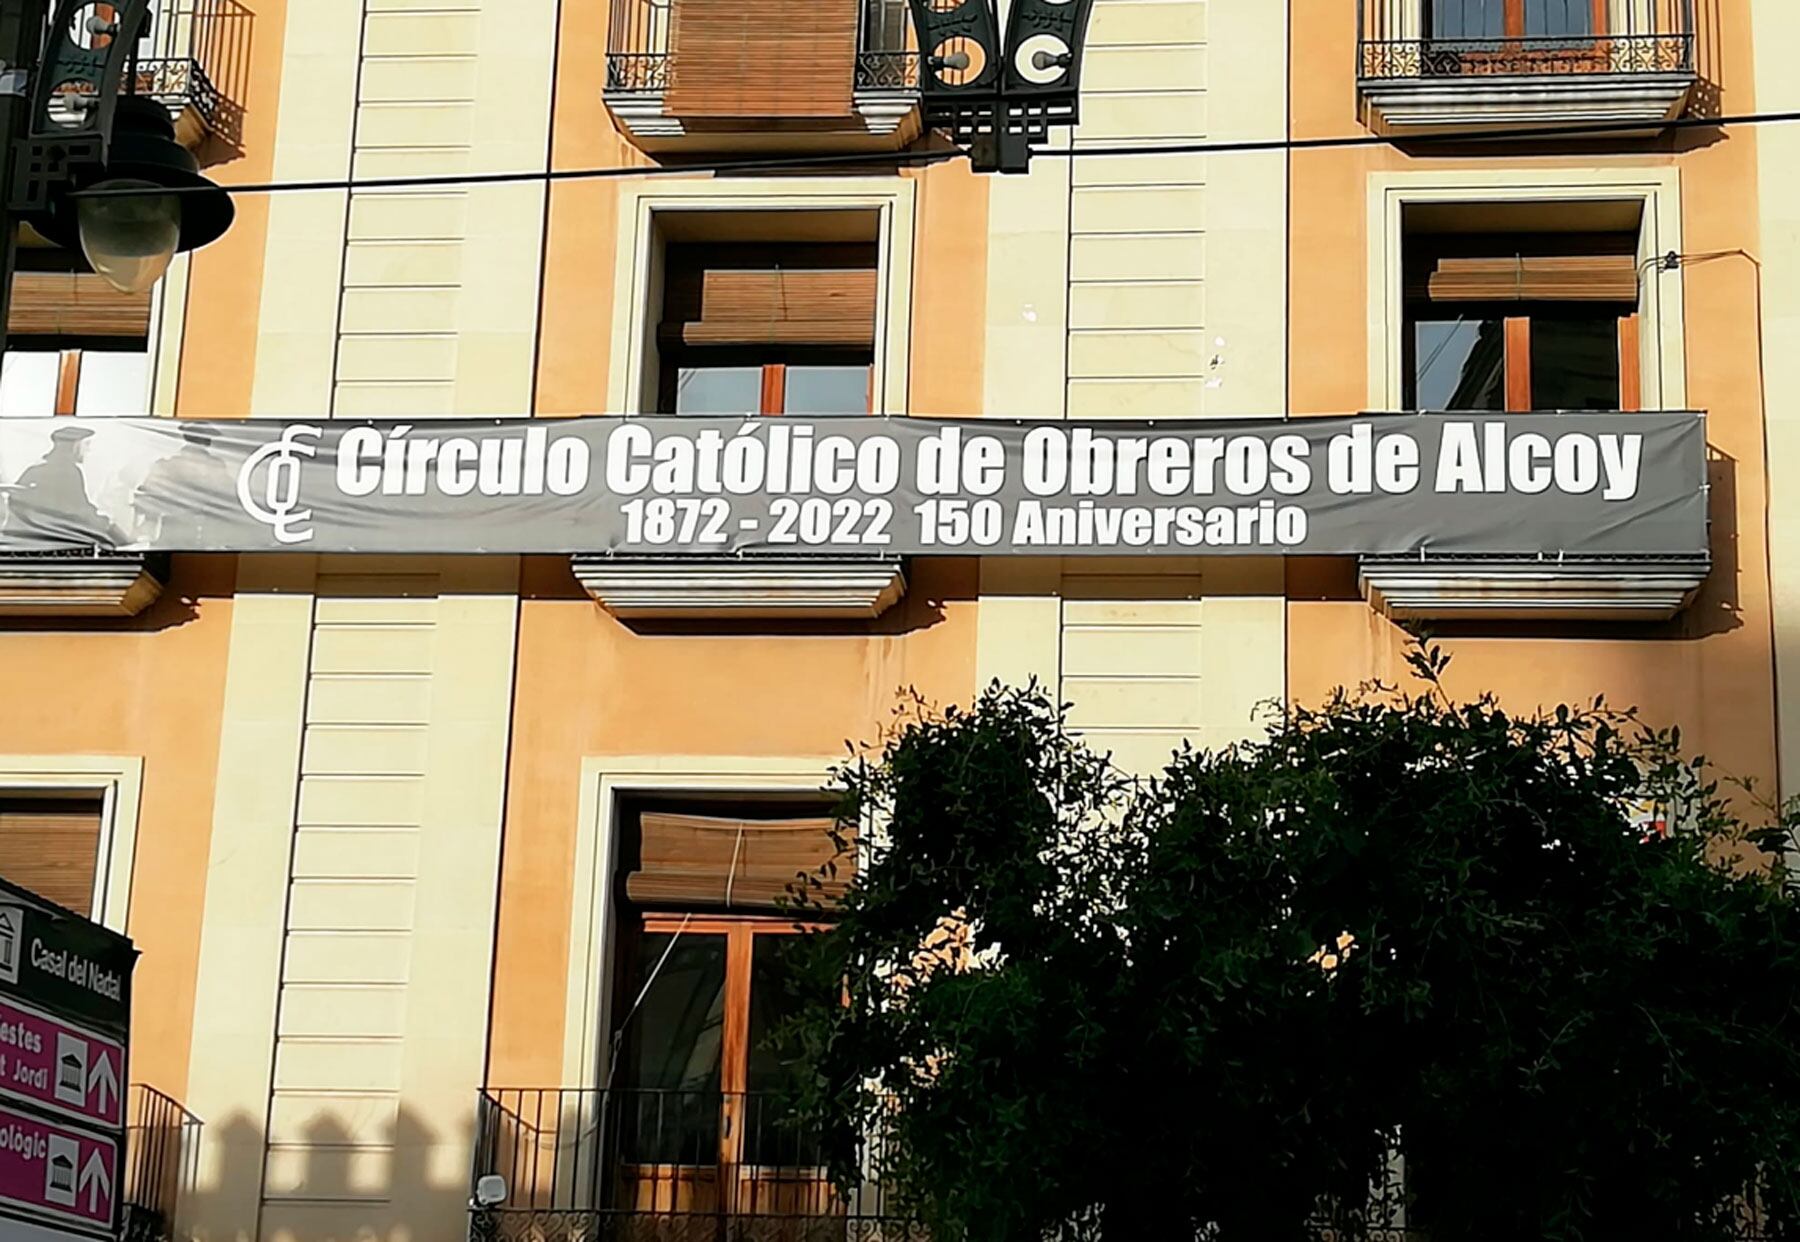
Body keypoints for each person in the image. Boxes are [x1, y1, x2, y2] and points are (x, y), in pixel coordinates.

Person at [2, 424, 129, 548]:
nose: (88, 450)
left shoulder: (35, 469)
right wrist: (110, 527)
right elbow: (79, 510)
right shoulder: (67, 471)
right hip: (54, 543)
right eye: (86, 445)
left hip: (30, 542)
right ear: (74, 446)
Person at [134, 421, 235, 547]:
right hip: (179, 531)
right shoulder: (167, 466)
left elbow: (228, 495)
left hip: (201, 532)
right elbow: (147, 496)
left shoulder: (166, 465)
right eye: (205, 436)